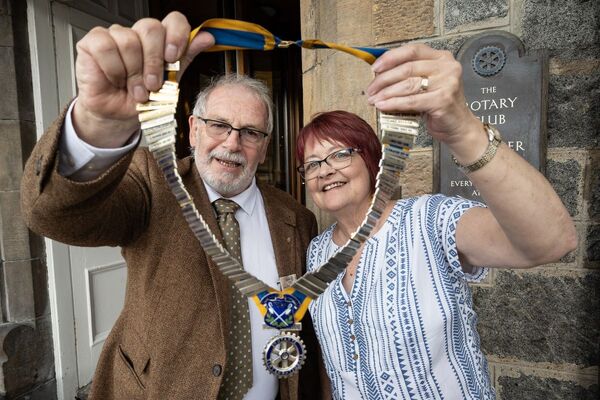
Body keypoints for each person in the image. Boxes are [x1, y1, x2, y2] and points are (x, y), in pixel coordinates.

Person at [20, 12, 327, 400]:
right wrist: (97, 128)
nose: (232, 144)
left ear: (264, 147)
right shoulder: (154, 180)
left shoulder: (296, 218)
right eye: (218, 125)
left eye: (250, 132)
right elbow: (53, 213)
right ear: (194, 129)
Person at [296, 45, 577, 399]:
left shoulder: (428, 220)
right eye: (312, 164)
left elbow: (553, 240)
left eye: (339, 154)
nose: (326, 170)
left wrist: (462, 129)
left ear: (369, 160)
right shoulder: (317, 253)